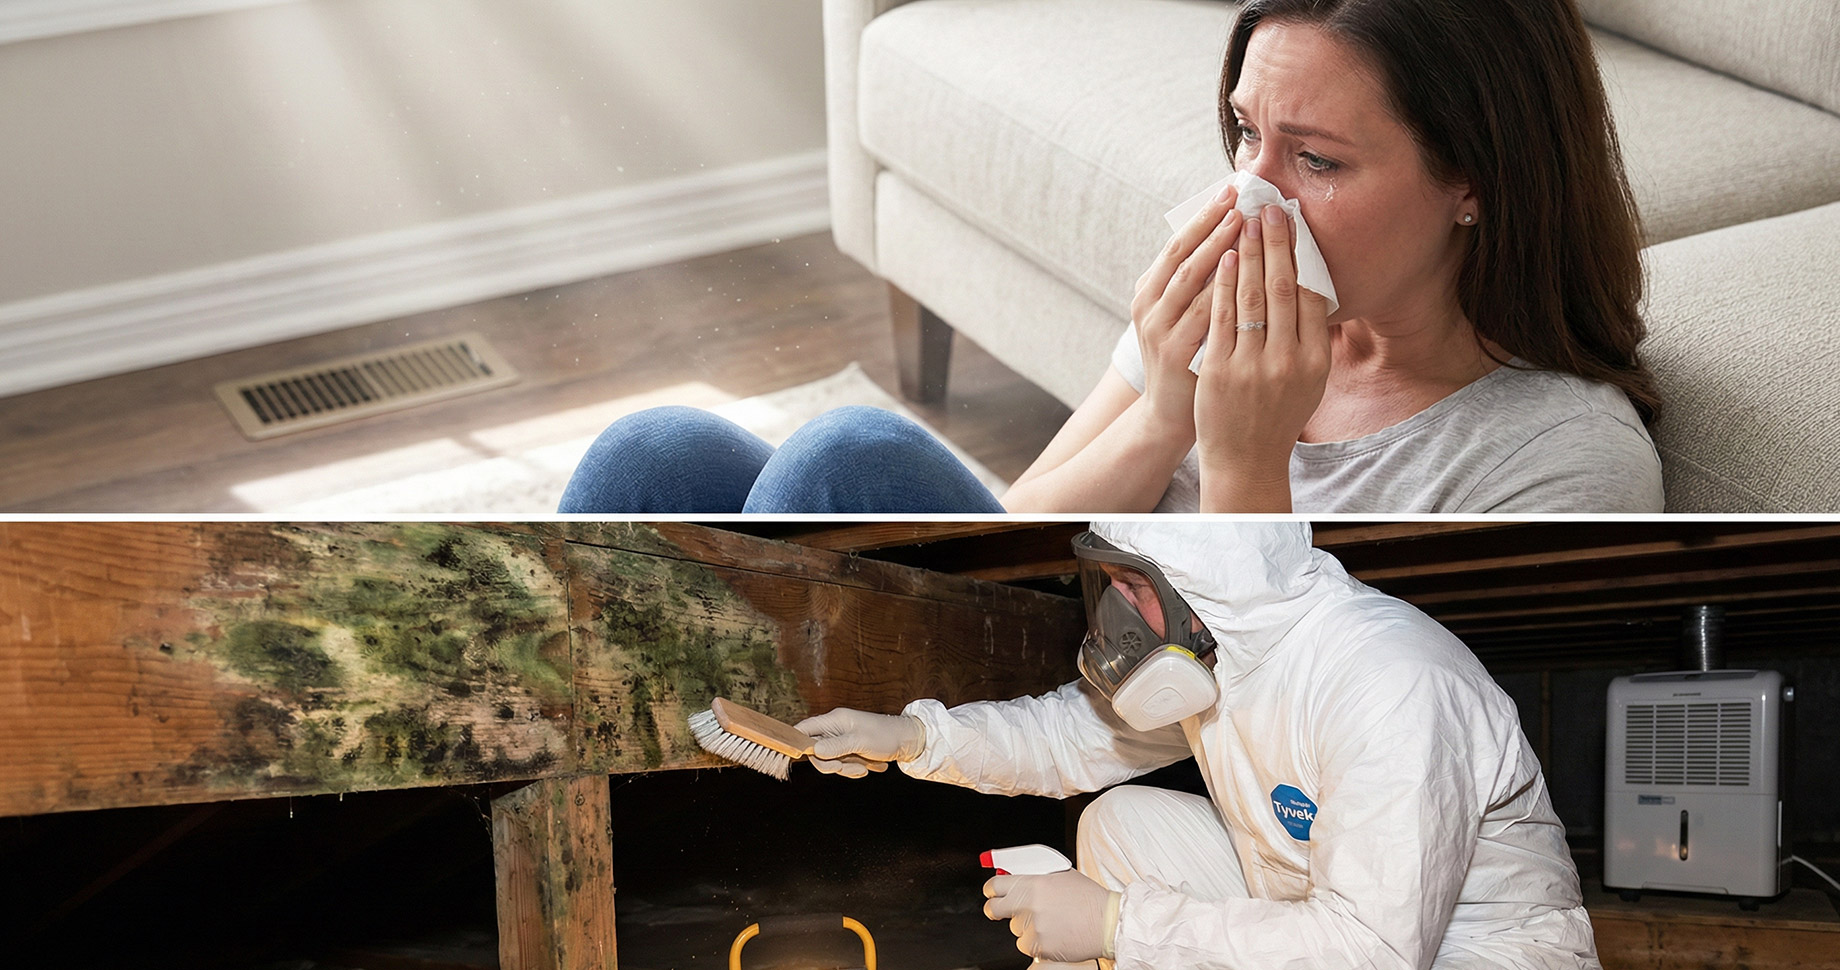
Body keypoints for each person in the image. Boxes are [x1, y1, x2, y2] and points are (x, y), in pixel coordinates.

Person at [560, 0, 1661, 514]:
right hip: (1057, 637)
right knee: (658, 452)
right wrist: (1167, 411)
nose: (1252, 196)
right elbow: (1030, 519)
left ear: (1474, 179)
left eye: (1317, 159)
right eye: (1245, 133)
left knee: (848, 461)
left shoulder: (1561, 462)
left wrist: (1242, 461)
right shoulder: (1232, 257)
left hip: (1171, 751)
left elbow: (1302, 737)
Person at [795, 522, 1603, 970]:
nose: (1114, 608)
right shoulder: (1222, 650)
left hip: (1481, 950)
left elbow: (1376, 955)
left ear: (1206, 587)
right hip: (1320, 897)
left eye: (1133, 585)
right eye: (1111, 582)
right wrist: (910, 735)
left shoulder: (1391, 681)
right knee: (1118, 824)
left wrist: (1116, 926)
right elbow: (1062, 736)